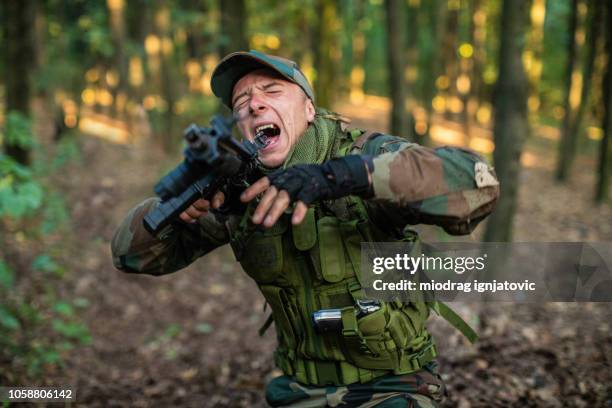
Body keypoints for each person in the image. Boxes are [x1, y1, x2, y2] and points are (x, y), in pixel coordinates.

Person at [111, 50, 500, 407]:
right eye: (241, 103)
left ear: (310, 109)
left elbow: (479, 187)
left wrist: (343, 177)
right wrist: (175, 209)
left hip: (394, 385)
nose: (254, 104)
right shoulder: (240, 191)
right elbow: (130, 256)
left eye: (271, 91)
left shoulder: (361, 154)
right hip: (297, 391)